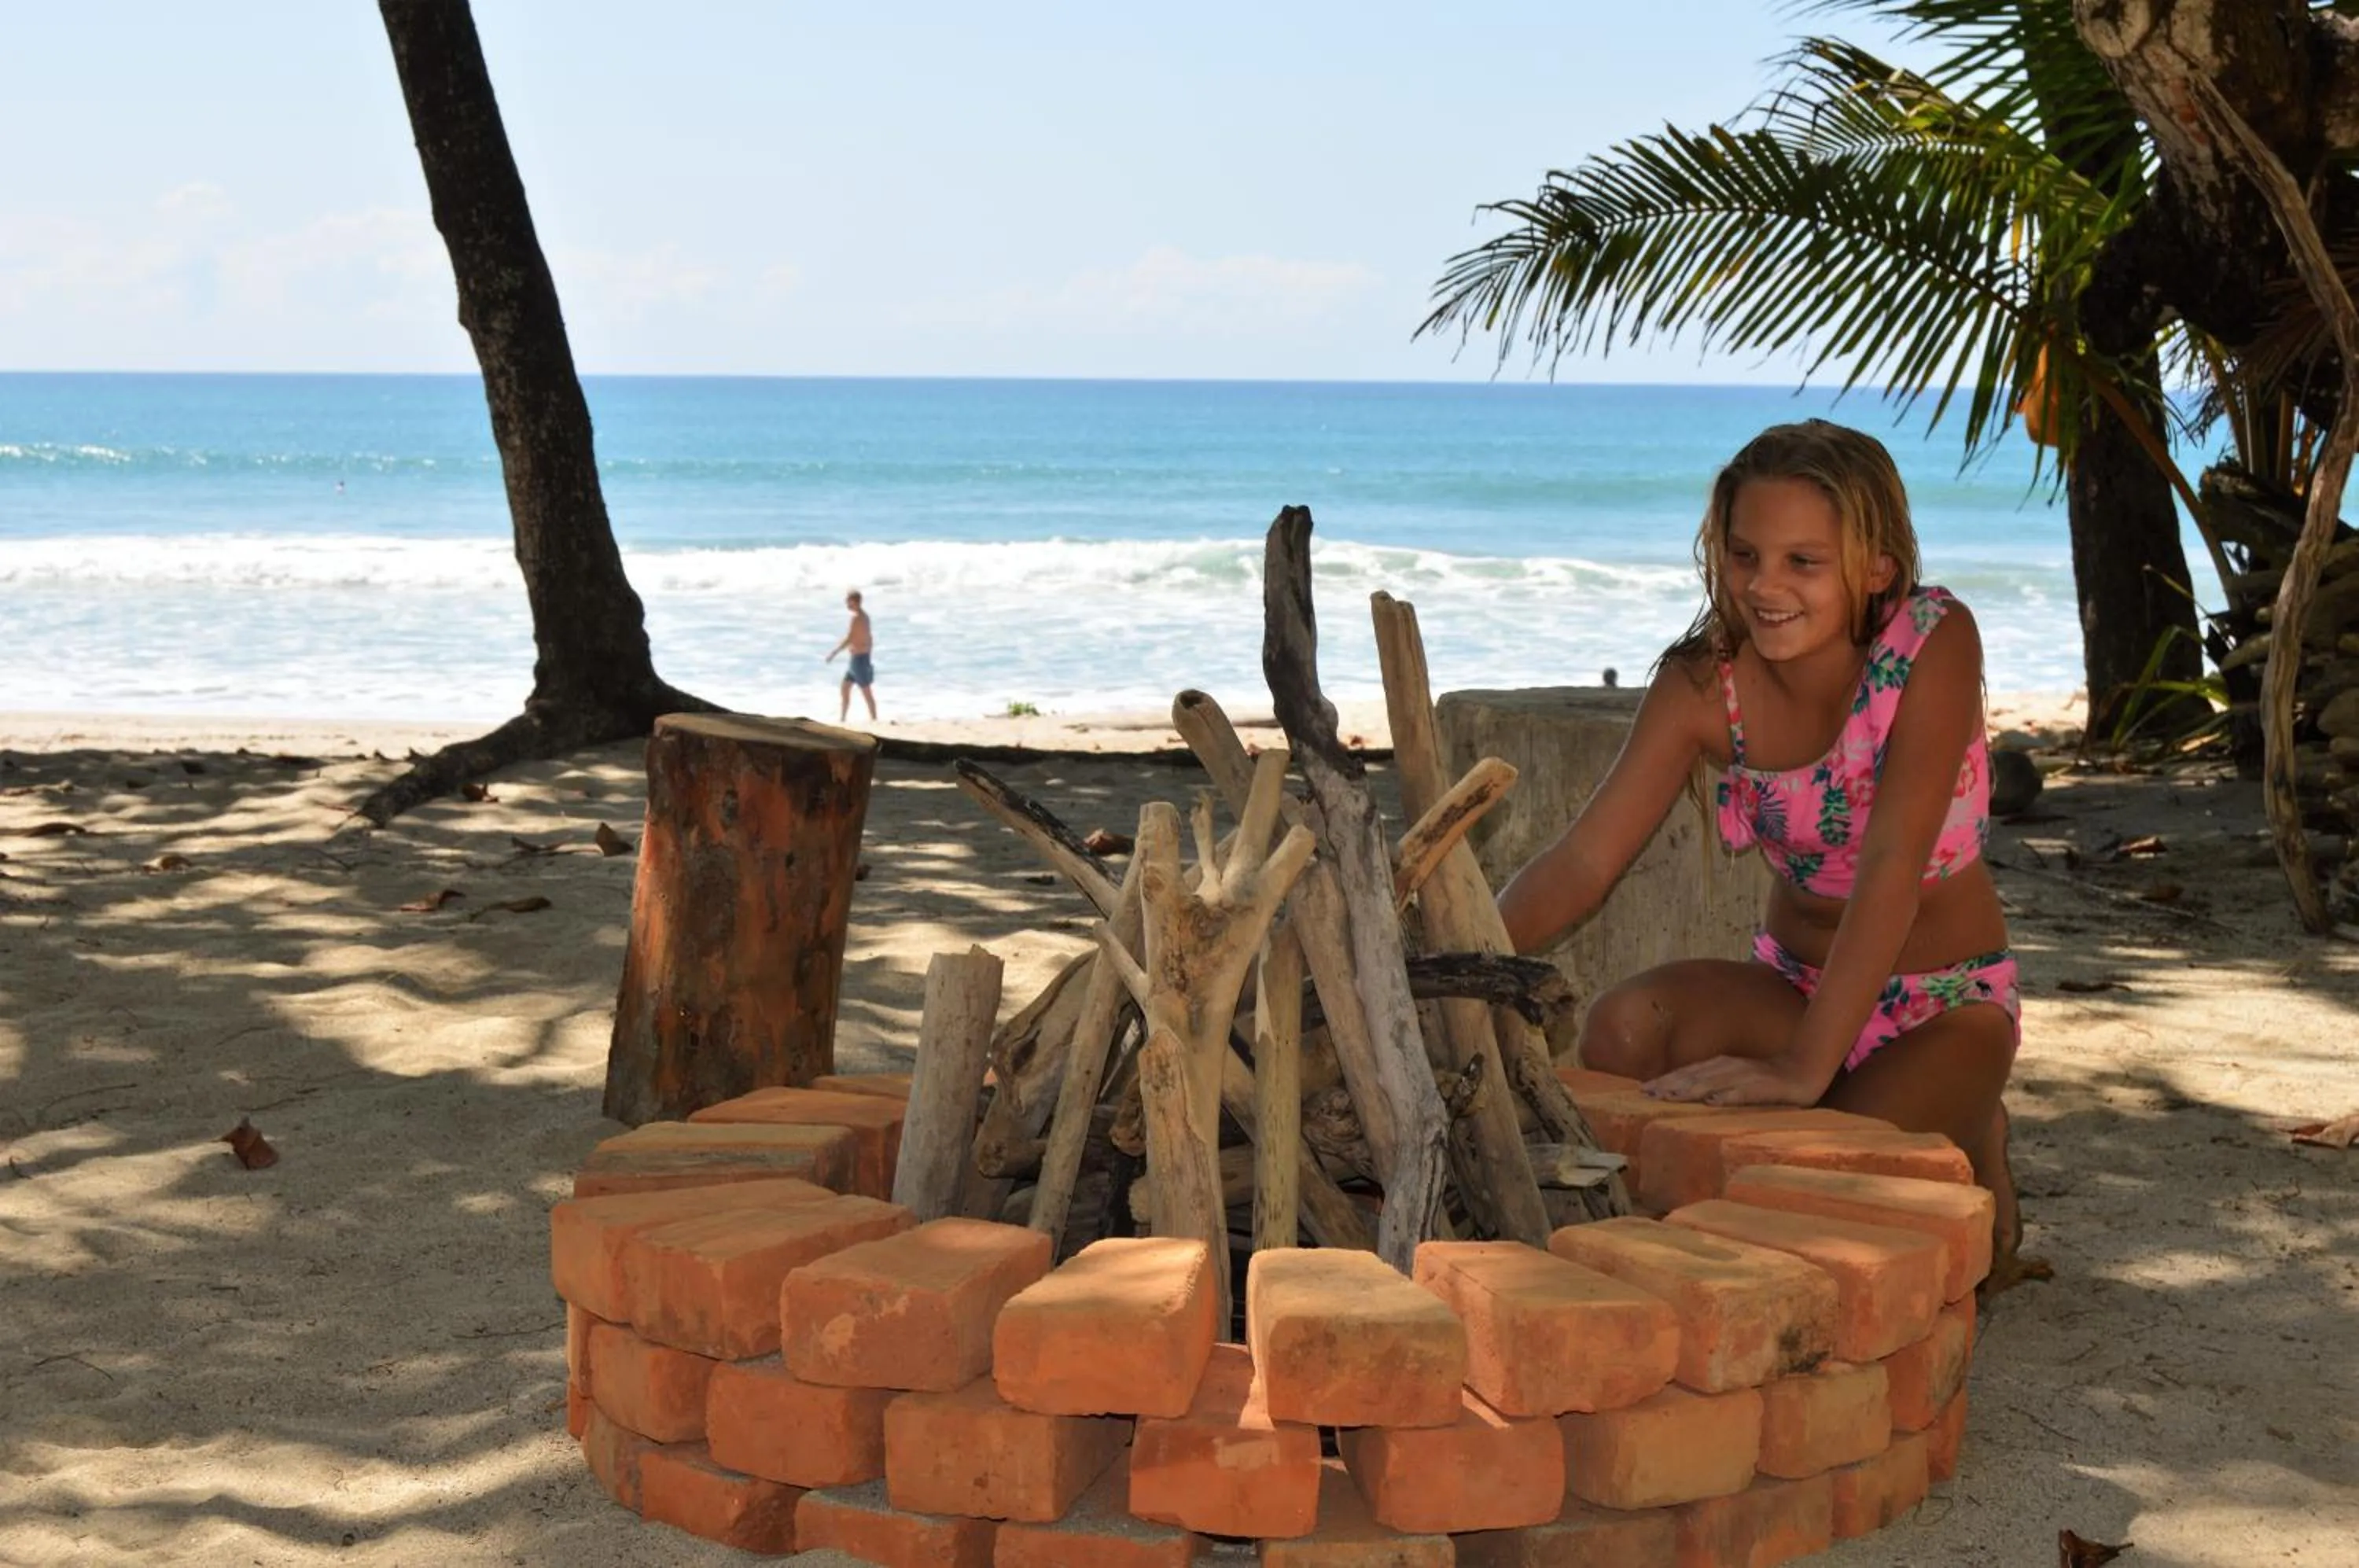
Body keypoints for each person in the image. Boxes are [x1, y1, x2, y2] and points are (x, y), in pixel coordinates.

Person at [1496, 419, 2027, 1285]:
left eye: (1803, 562)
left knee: (1817, 1183)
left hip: (1943, 1003)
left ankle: (1973, 1117)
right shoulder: (1706, 680)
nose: (1764, 586)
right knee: (1622, 1028)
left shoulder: (1933, 642)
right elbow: (1584, 862)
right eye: (1745, 555)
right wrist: (1452, 968)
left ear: (1878, 566)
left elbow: (1891, 865)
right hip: (1794, 986)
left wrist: (1801, 1068)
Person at [826, 590, 878, 723]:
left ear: (855, 602)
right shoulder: (865, 617)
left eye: (848, 600)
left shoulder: (856, 619)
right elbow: (869, 638)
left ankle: (874, 719)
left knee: (866, 692)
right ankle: (842, 719)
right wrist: (868, 655)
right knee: (845, 688)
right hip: (858, 659)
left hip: (859, 660)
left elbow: (850, 638)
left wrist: (834, 653)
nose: (846, 603)